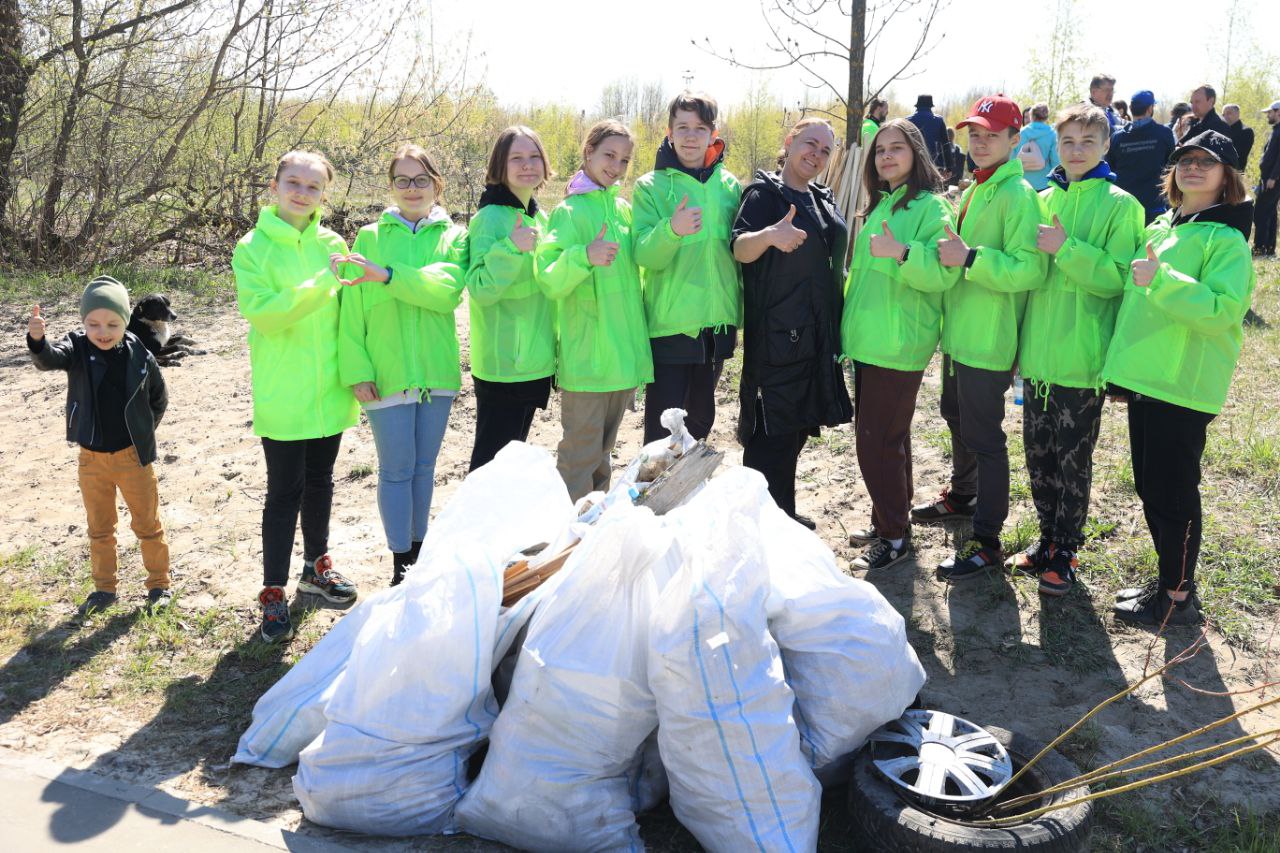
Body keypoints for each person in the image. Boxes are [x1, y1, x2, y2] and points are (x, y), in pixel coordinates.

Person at [1105, 131, 1255, 627]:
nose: (1193, 169)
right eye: (1185, 161)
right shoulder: (1166, 227)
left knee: (1173, 492)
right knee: (1152, 487)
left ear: (1227, 177)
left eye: (1206, 163)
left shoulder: (1227, 239)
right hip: (1149, 378)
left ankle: (1177, 597)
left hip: (1183, 386)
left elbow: (1222, 310)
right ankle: (1170, 578)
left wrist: (1163, 279)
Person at [911, 94, 1047, 580]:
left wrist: (971, 259)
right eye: (975, 134)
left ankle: (987, 539)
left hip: (988, 339)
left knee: (985, 438)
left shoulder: (1018, 194)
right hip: (960, 335)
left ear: (1016, 140)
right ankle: (963, 496)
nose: (981, 142)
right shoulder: (977, 188)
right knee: (957, 418)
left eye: (992, 135)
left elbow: (1030, 268)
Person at [1016, 105, 1144, 596]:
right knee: (1038, 456)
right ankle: (1046, 539)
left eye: (1088, 142)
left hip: (1081, 359)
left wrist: (1067, 248)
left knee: (1074, 462)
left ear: (1105, 146)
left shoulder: (1120, 205)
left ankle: (1066, 551)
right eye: (1068, 141)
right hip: (1040, 358)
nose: (1076, 150)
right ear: (1056, 145)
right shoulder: (1042, 198)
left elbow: (1117, 278)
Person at [234, 150, 360, 643]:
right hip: (283, 393)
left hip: (329, 389)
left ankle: (316, 569)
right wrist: (323, 280)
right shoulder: (252, 248)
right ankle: (272, 592)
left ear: (323, 194)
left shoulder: (333, 243)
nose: (302, 193)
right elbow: (266, 313)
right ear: (275, 184)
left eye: (312, 187)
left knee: (322, 482)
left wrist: (356, 372)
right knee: (283, 493)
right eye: (294, 182)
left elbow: (350, 317)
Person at [337, 145, 467, 587]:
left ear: (437, 184)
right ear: (391, 186)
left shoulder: (454, 237)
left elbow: (446, 291)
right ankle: (400, 565)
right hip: (385, 373)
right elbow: (350, 310)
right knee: (395, 469)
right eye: (402, 181)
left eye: (421, 180)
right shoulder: (369, 237)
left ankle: (419, 553)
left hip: (436, 373)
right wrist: (356, 369)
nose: (412, 189)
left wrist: (388, 276)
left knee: (424, 469)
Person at [841, 119, 959, 569]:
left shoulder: (931, 207)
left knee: (876, 442)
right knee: (890, 438)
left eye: (897, 148)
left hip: (898, 342)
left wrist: (905, 253)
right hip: (870, 341)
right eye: (880, 150)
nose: (886, 156)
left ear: (916, 153)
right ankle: (890, 518)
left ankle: (893, 538)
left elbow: (943, 273)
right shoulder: (883, 204)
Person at [731, 117, 852, 528]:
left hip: (818, 331)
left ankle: (782, 513)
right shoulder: (763, 195)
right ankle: (761, 524)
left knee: (798, 426)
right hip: (779, 333)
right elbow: (739, 249)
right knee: (772, 434)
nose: (816, 155)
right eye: (809, 144)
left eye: (825, 150)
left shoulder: (822, 196)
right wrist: (768, 236)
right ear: (789, 141)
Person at [26, 279, 171, 616]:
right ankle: (104, 589)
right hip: (91, 459)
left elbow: (158, 399)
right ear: (83, 323)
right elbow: (49, 359)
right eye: (93, 324)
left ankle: (159, 585)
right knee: (100, 528)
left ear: (126, 320)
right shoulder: (76, 348)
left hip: (133, 458)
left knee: (148, 525)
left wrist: (142, 434)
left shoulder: (140, 354)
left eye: (112, 324)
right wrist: (37, 340)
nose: (102, 332)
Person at [535, 120, 653, 501]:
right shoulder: (569, 212)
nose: (616, 166)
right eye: (609, 155)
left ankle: (592, 529)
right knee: (578, 457)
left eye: (624, 159)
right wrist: (584, 256)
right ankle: (566, 539)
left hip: (620, 360)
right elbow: (549, 276)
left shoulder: (622, 210)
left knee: (603, 455)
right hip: (587, 362)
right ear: (588, 152)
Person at [633, 91, 741, 443]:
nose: (691, 137)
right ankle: (651, 495)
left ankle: (688, 494)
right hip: (671, 327)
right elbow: (644, 255)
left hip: (717, 327)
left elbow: (737, 254)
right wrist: (672, 230)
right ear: (669, 132)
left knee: (700, 423)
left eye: (699, 128)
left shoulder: (729, 187)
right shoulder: (650, 187)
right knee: (662, 431)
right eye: (682, 127)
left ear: (713, 133)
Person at [464, 126, 556, 469]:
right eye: (516, 158)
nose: (527, 165)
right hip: (504, 364)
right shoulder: (488, 218)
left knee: (511, 461)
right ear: (499, 166)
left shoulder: (538, 216)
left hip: (534, 359)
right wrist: (510, 248)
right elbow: (480, 289)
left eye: (534, 157)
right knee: (490, 465)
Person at [1110, 90, 1177, 224]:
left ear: (1131, 109)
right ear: (1150, 108)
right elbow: (1172, 166)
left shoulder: (1117, 137)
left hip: (1123, 207)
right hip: (1155, 207)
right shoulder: (1164, 134)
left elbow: (1111, 168)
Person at [1254, 100, 1280, 257]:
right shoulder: (1276, 130)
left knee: (1261, 213)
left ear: (1278, 112)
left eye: (1269, 112)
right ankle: (1269, 248)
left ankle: (1259, 248)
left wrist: (1273, 177)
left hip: (1272, 180)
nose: (1267, 115)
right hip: (1269, 178)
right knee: (1269, 213)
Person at [1018, 103, 1060, 191]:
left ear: (1031, 116)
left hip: (1023, 183)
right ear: (1046, 117)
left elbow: (1012, 158)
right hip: (1044, 184)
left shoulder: (1021, 133)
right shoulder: (1052, 134)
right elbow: (1055, 161)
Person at [907, 95, 948, 169]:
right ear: (931, 106)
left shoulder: (907, 121)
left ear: (917, 105)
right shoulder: (939, 120)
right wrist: (949, 167)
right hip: (933, 165)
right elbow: (945, 144)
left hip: (912, 164)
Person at [1221, 104, 1255, 169]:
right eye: (1223, 114)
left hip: (1236, 171)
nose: (1225, 116)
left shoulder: (1246, 131)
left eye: (1229, 113)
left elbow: (1238, 154)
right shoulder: (1222, 130)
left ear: (1237, 114)